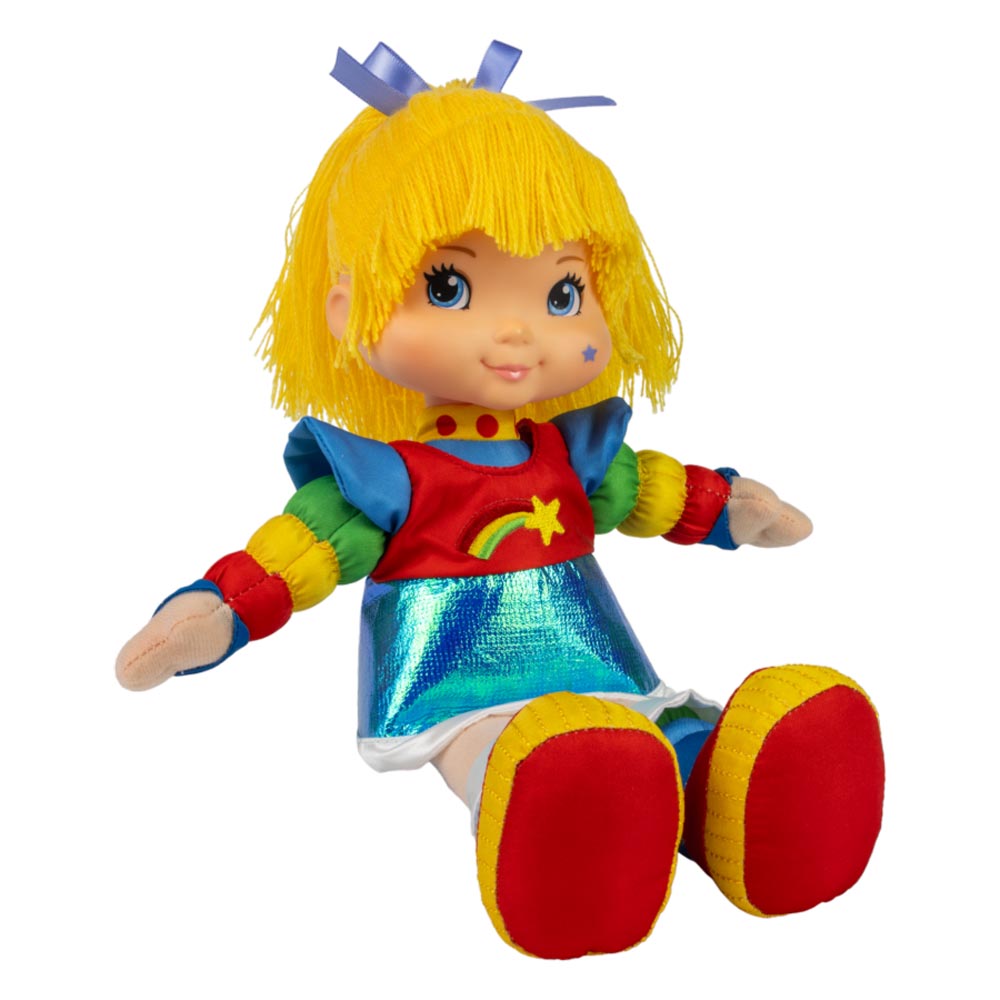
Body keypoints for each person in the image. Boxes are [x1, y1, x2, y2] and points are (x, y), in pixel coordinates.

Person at [116, 41, 884, 960]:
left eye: (563, 291)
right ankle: (556, 830)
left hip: (592, 655)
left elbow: (647, 489)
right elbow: (300, 554)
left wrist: (729, 507)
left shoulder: (568, 453)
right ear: (346, 306)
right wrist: (215, 613)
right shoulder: (389, 477)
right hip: (453, 680)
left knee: (653, 726)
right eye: (450, 286)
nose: (517, 330)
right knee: (508, 751)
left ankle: (744, 796)